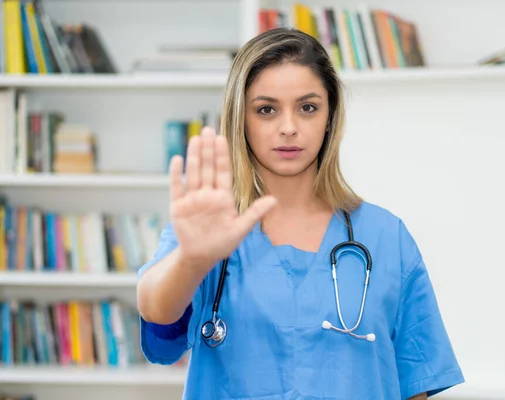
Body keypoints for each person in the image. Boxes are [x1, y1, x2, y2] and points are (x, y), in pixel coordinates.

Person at [136, 27, 464, 400]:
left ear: (329, 117)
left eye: (307, 107)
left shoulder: (386, 236)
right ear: (240, 119)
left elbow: (413, 383)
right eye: (266, 109)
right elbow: (155, 309)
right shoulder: (209, 230)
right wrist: (194, 259)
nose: (288, 128)